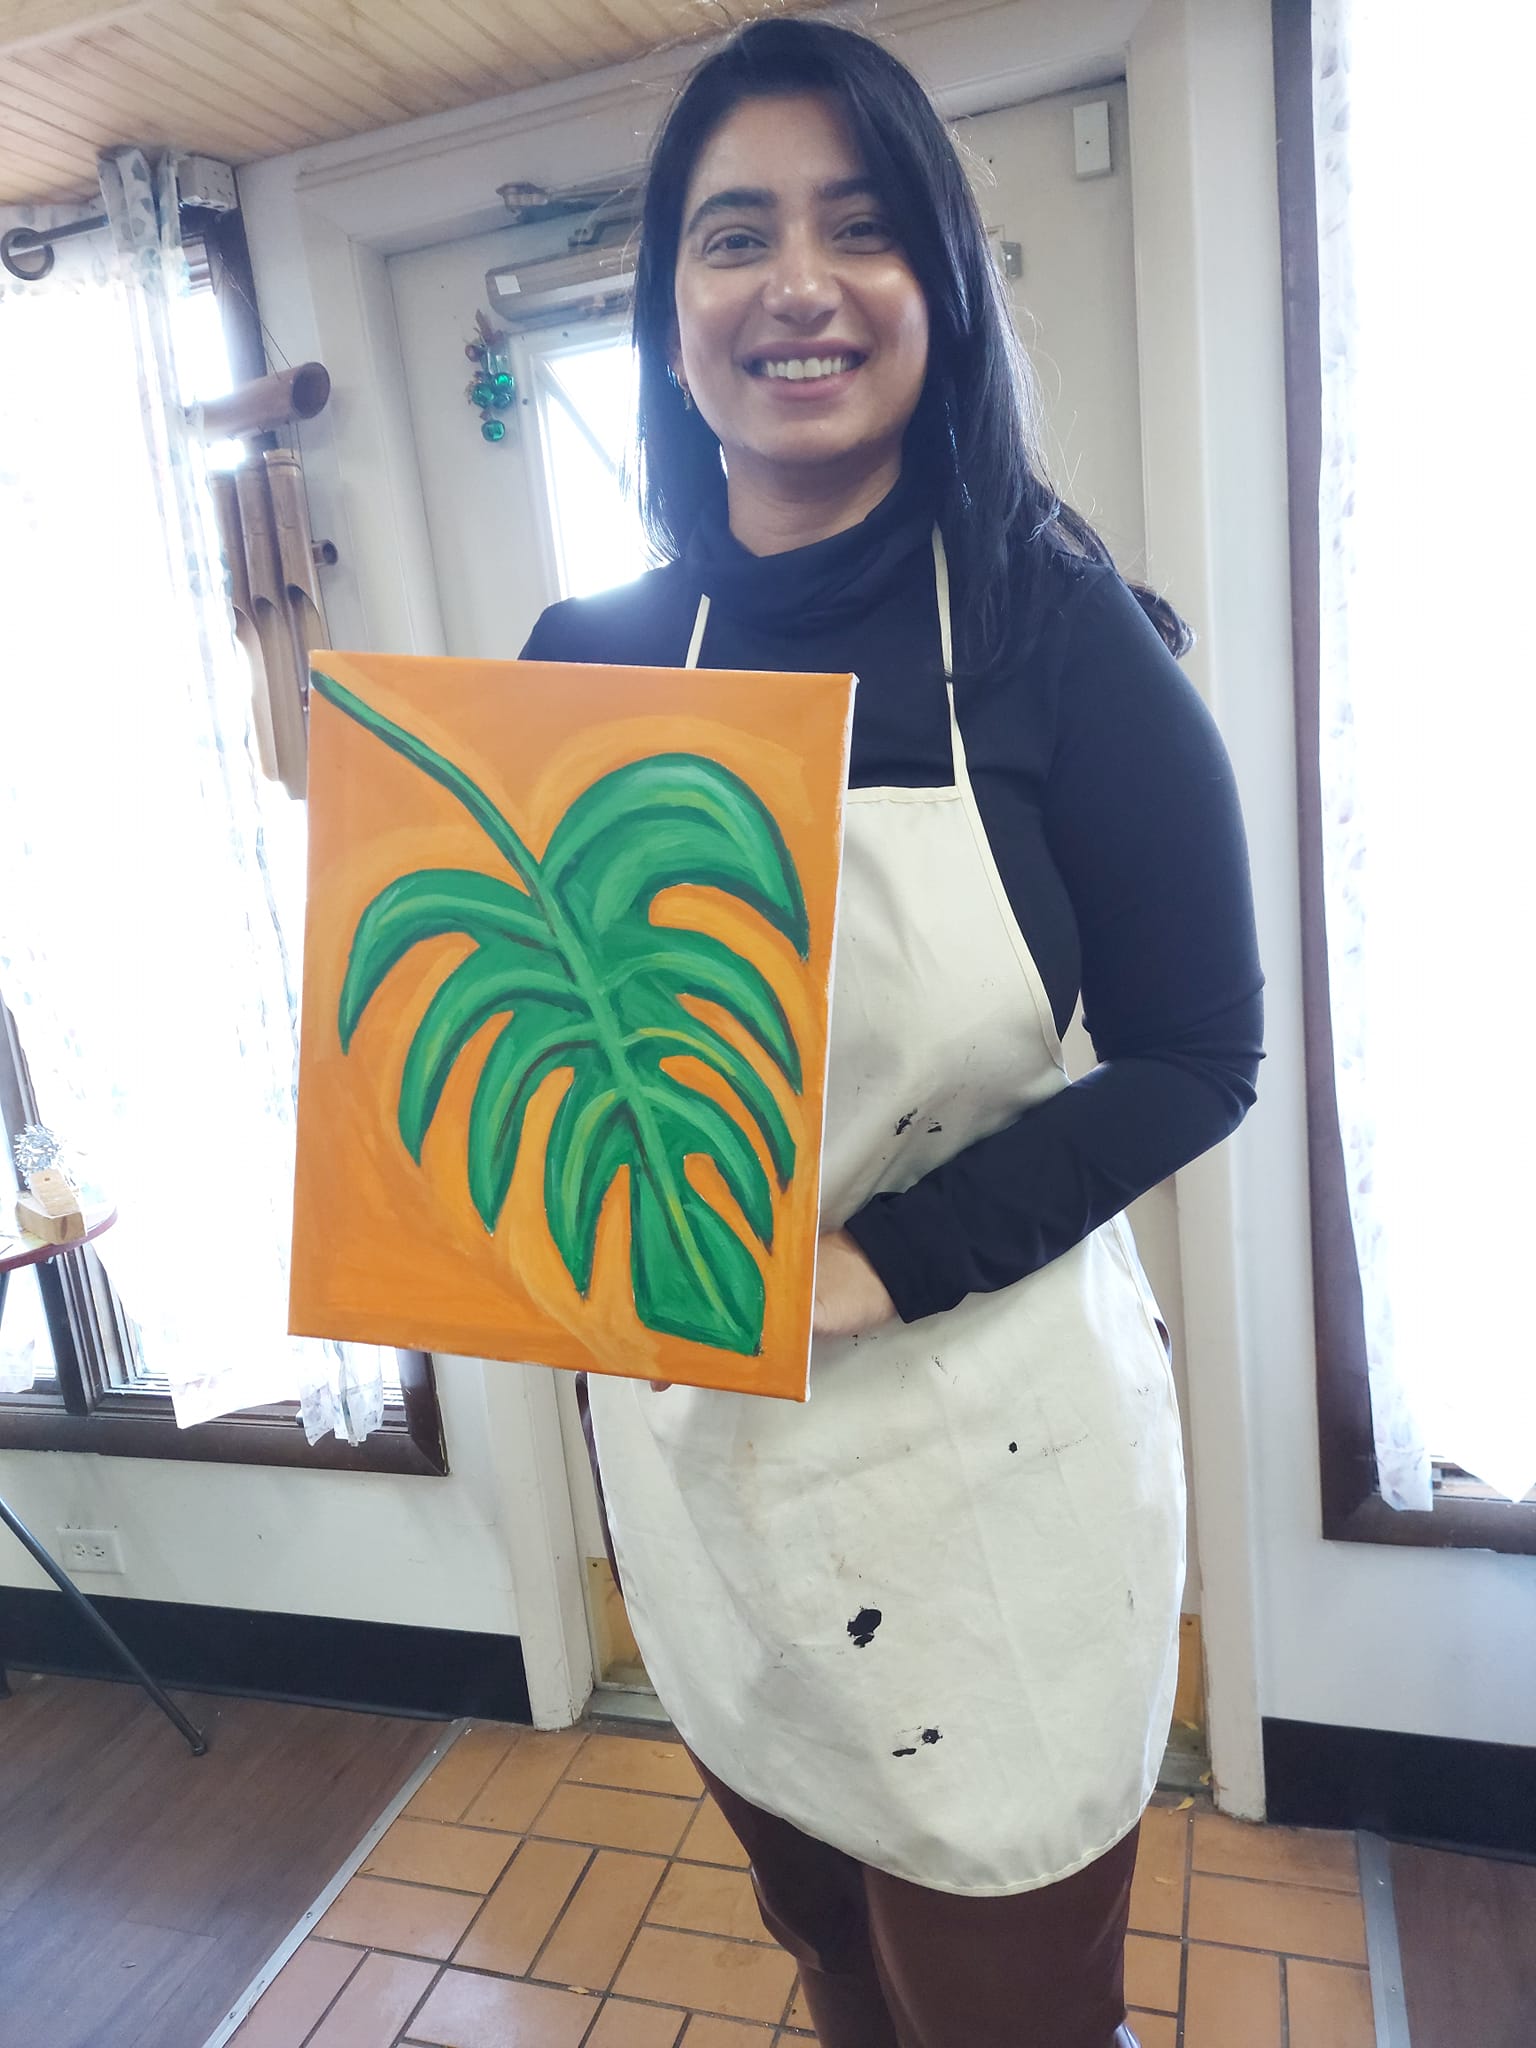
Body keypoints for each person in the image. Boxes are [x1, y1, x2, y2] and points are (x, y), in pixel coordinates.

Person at [521, 18, 1263, 2047]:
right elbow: (551, 1048)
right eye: (733, 234)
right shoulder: (584, 667)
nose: (798, 283)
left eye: (860, 229)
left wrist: (872, 1261)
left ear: (938, 283)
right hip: (707, 1484)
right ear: (670, 310)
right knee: (835, 1968)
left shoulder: (1053, 633)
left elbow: (1200, 1054)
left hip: (981, 1477)